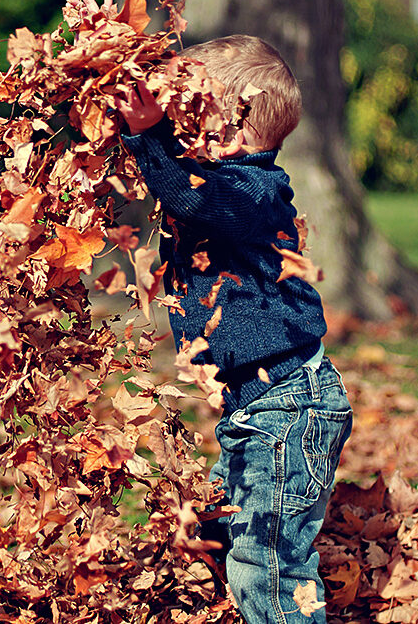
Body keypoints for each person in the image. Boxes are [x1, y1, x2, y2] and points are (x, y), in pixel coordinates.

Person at [113, 32, 354, 624]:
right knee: (218, 529)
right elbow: (180, 180)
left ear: (237, 129)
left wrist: (145, 136)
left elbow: (193, 199)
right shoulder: (222, 179)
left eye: (195, 114)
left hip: (289, 409)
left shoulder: (254, 191)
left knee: (268, 565)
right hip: (259, 410)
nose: (181, 128)